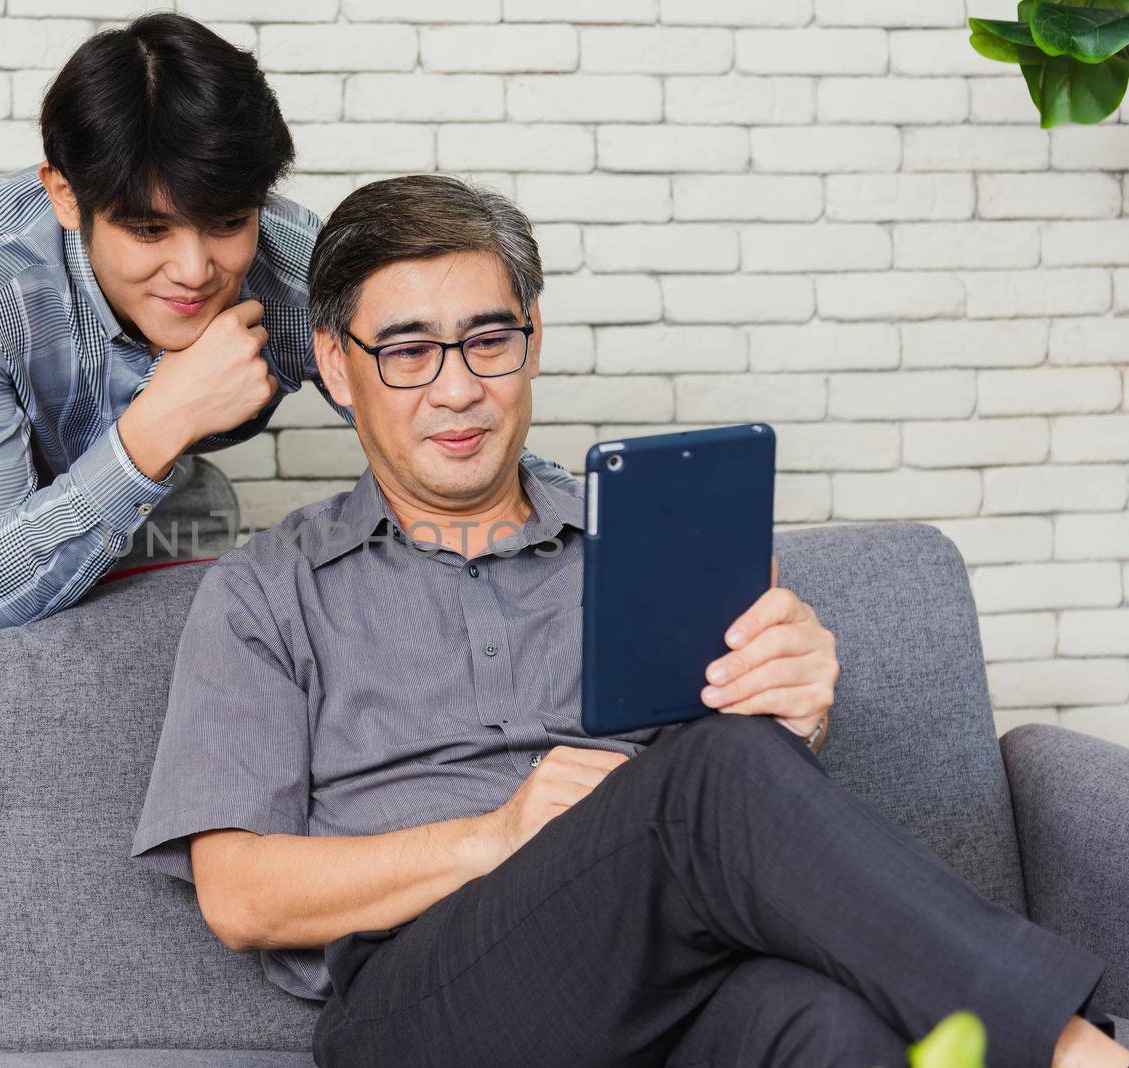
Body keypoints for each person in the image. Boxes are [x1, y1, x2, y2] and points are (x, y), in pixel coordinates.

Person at [130, 175, 1127, 1068]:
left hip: (666, 981)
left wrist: (792, 718)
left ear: (532, 340)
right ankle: (1074, 1052)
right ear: (339, 370)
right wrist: (494, 837)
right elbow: (240, 896)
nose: (458, 387)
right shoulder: (269, 588)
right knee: (710, 779)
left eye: (488, 339)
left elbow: (732, 820)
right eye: (407, 351)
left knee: (827, 1024)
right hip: (417, 1011)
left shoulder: (647, 542)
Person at [0, 12, 574, 627]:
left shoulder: (294, 273)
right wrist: (165, 416)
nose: (195, 271)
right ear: (65, 197)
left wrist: (624, 525)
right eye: (150, 231)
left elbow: (440, 423)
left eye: (226, 221)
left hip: (157, 503)